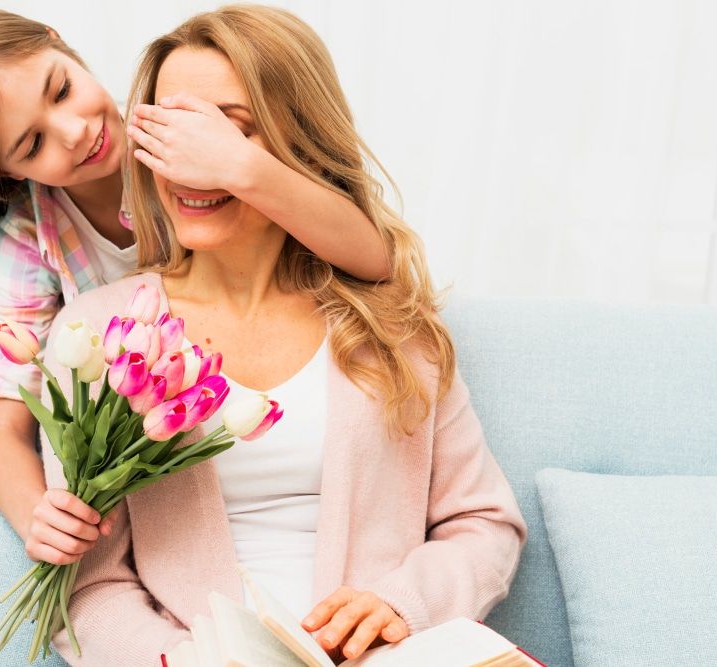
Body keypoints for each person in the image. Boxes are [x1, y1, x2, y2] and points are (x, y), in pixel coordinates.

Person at [39, 6, 526, 665]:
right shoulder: (97, 336)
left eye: (228, 134)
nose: (190, 164)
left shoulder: (387, 324)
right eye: (170, 130)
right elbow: (88, 584)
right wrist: (175, 658)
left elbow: (484, 525)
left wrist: (400, 605)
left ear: (294, 146)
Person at [0, 8, 391, 568]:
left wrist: (239, 165)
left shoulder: (178, 139)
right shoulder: (33, 236)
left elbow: (374, 258)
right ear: (5, 175)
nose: (76, 131)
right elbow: (5, 430)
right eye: (32, 145)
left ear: (61, 43)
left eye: (61, 89)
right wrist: (39, 516)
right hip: (167, 474)